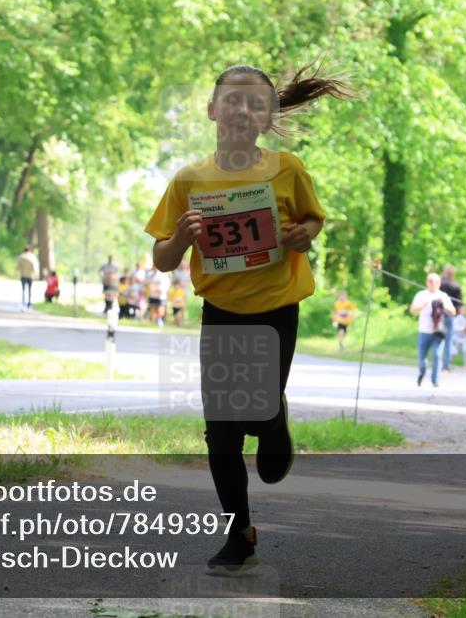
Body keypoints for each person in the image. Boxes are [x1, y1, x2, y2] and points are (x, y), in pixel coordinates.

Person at [144, 62, 350, 575]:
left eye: (254, 102)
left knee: (256, 406)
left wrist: (305, 235)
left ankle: (273, 422)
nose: (241, 109)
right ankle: (240, 536)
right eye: (231, 100)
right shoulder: (190, 179)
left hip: (277, 308)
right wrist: (183, 239)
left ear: (266, 116)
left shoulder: (288, 168)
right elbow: (163, 259)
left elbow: (312, 219)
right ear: (212, 110)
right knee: (221, 433)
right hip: (221, 312)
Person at [410, 273, 457, 387]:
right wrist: (423, 305)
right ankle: (422, 371)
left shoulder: (443, 296)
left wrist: (444, 306)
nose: (432, 283)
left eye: (435, 281)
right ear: (427, 282)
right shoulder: (421, 295)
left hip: (438, 331)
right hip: (424, 330)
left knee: (437, 355)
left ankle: (435, 379)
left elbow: (453, 311)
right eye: (430, 281)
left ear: (439, 283)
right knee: (422, 358)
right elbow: (412, 310)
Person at [439, 265, 463, 373]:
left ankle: (437, 363)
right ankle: (446, 366)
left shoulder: (439, 283)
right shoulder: (456, 286)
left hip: (438, 315)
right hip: (450, 316)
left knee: (438, 340)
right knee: (448, 341)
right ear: (453, 274)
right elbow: (459, 305)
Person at [450, 303, 466, 369]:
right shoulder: (457, 318)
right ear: (460, 311)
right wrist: (463, 328)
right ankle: (448, 362)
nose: (465, 311)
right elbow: (455, 327)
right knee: (455, 351)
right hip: (457, 337)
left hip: (465, 337)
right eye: (463, 310)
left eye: (465, 310)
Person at [16, 246, 38, 310]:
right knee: (29, 290)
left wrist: (17, 271)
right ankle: (29, 303)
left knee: (23, 290)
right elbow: (35, 267)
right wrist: (35, 274)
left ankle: (23, 302)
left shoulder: (21, 257)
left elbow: (18, 266)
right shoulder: (32, 257)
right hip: (30, 276)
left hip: (23, 275)